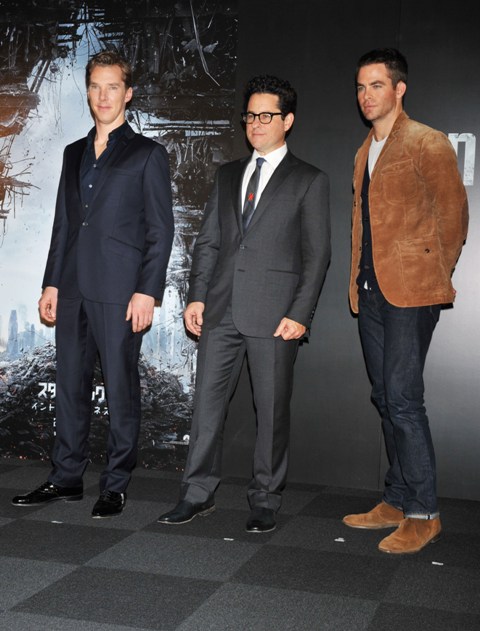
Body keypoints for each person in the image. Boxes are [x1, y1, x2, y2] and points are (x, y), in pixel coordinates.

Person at [158, 75, 331, 533]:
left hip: (275, 315)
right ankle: (196, 494)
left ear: (287, 120)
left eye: (266, 115)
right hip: (219, 311)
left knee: (271, 412)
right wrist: (197, 296)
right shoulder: (228, 174)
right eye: (250, 115)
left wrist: (300, 313)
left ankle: (265, 499)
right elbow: (209, 243)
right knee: (206, 408)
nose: (256, 123)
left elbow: (317, 255)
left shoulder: (309, 180)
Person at [12, 50, 174, 518]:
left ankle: (115, 483)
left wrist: (147, 291)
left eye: (112, 87)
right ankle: (66, 477)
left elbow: (160, 230)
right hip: (72, 289)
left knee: (121, 388)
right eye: (96, 87)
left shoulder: (147, 154)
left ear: (128, 93)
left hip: (122, 292)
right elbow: (64, 225)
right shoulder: (72, 153)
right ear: (88, 92)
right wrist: (51, 283)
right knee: (68, 385)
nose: (104, 96)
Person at [342, 48, 468, 553]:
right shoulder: (364, 150)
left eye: (376, 85)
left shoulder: (426, 141)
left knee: (403, 399)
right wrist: (358, 281)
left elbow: (453, 219)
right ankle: (396, 500)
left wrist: (429, 275)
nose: (366, 95)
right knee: (385, 396)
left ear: (399, 89)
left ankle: (423, 512)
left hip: (410, 293)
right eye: (360, 86)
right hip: (370, 290)